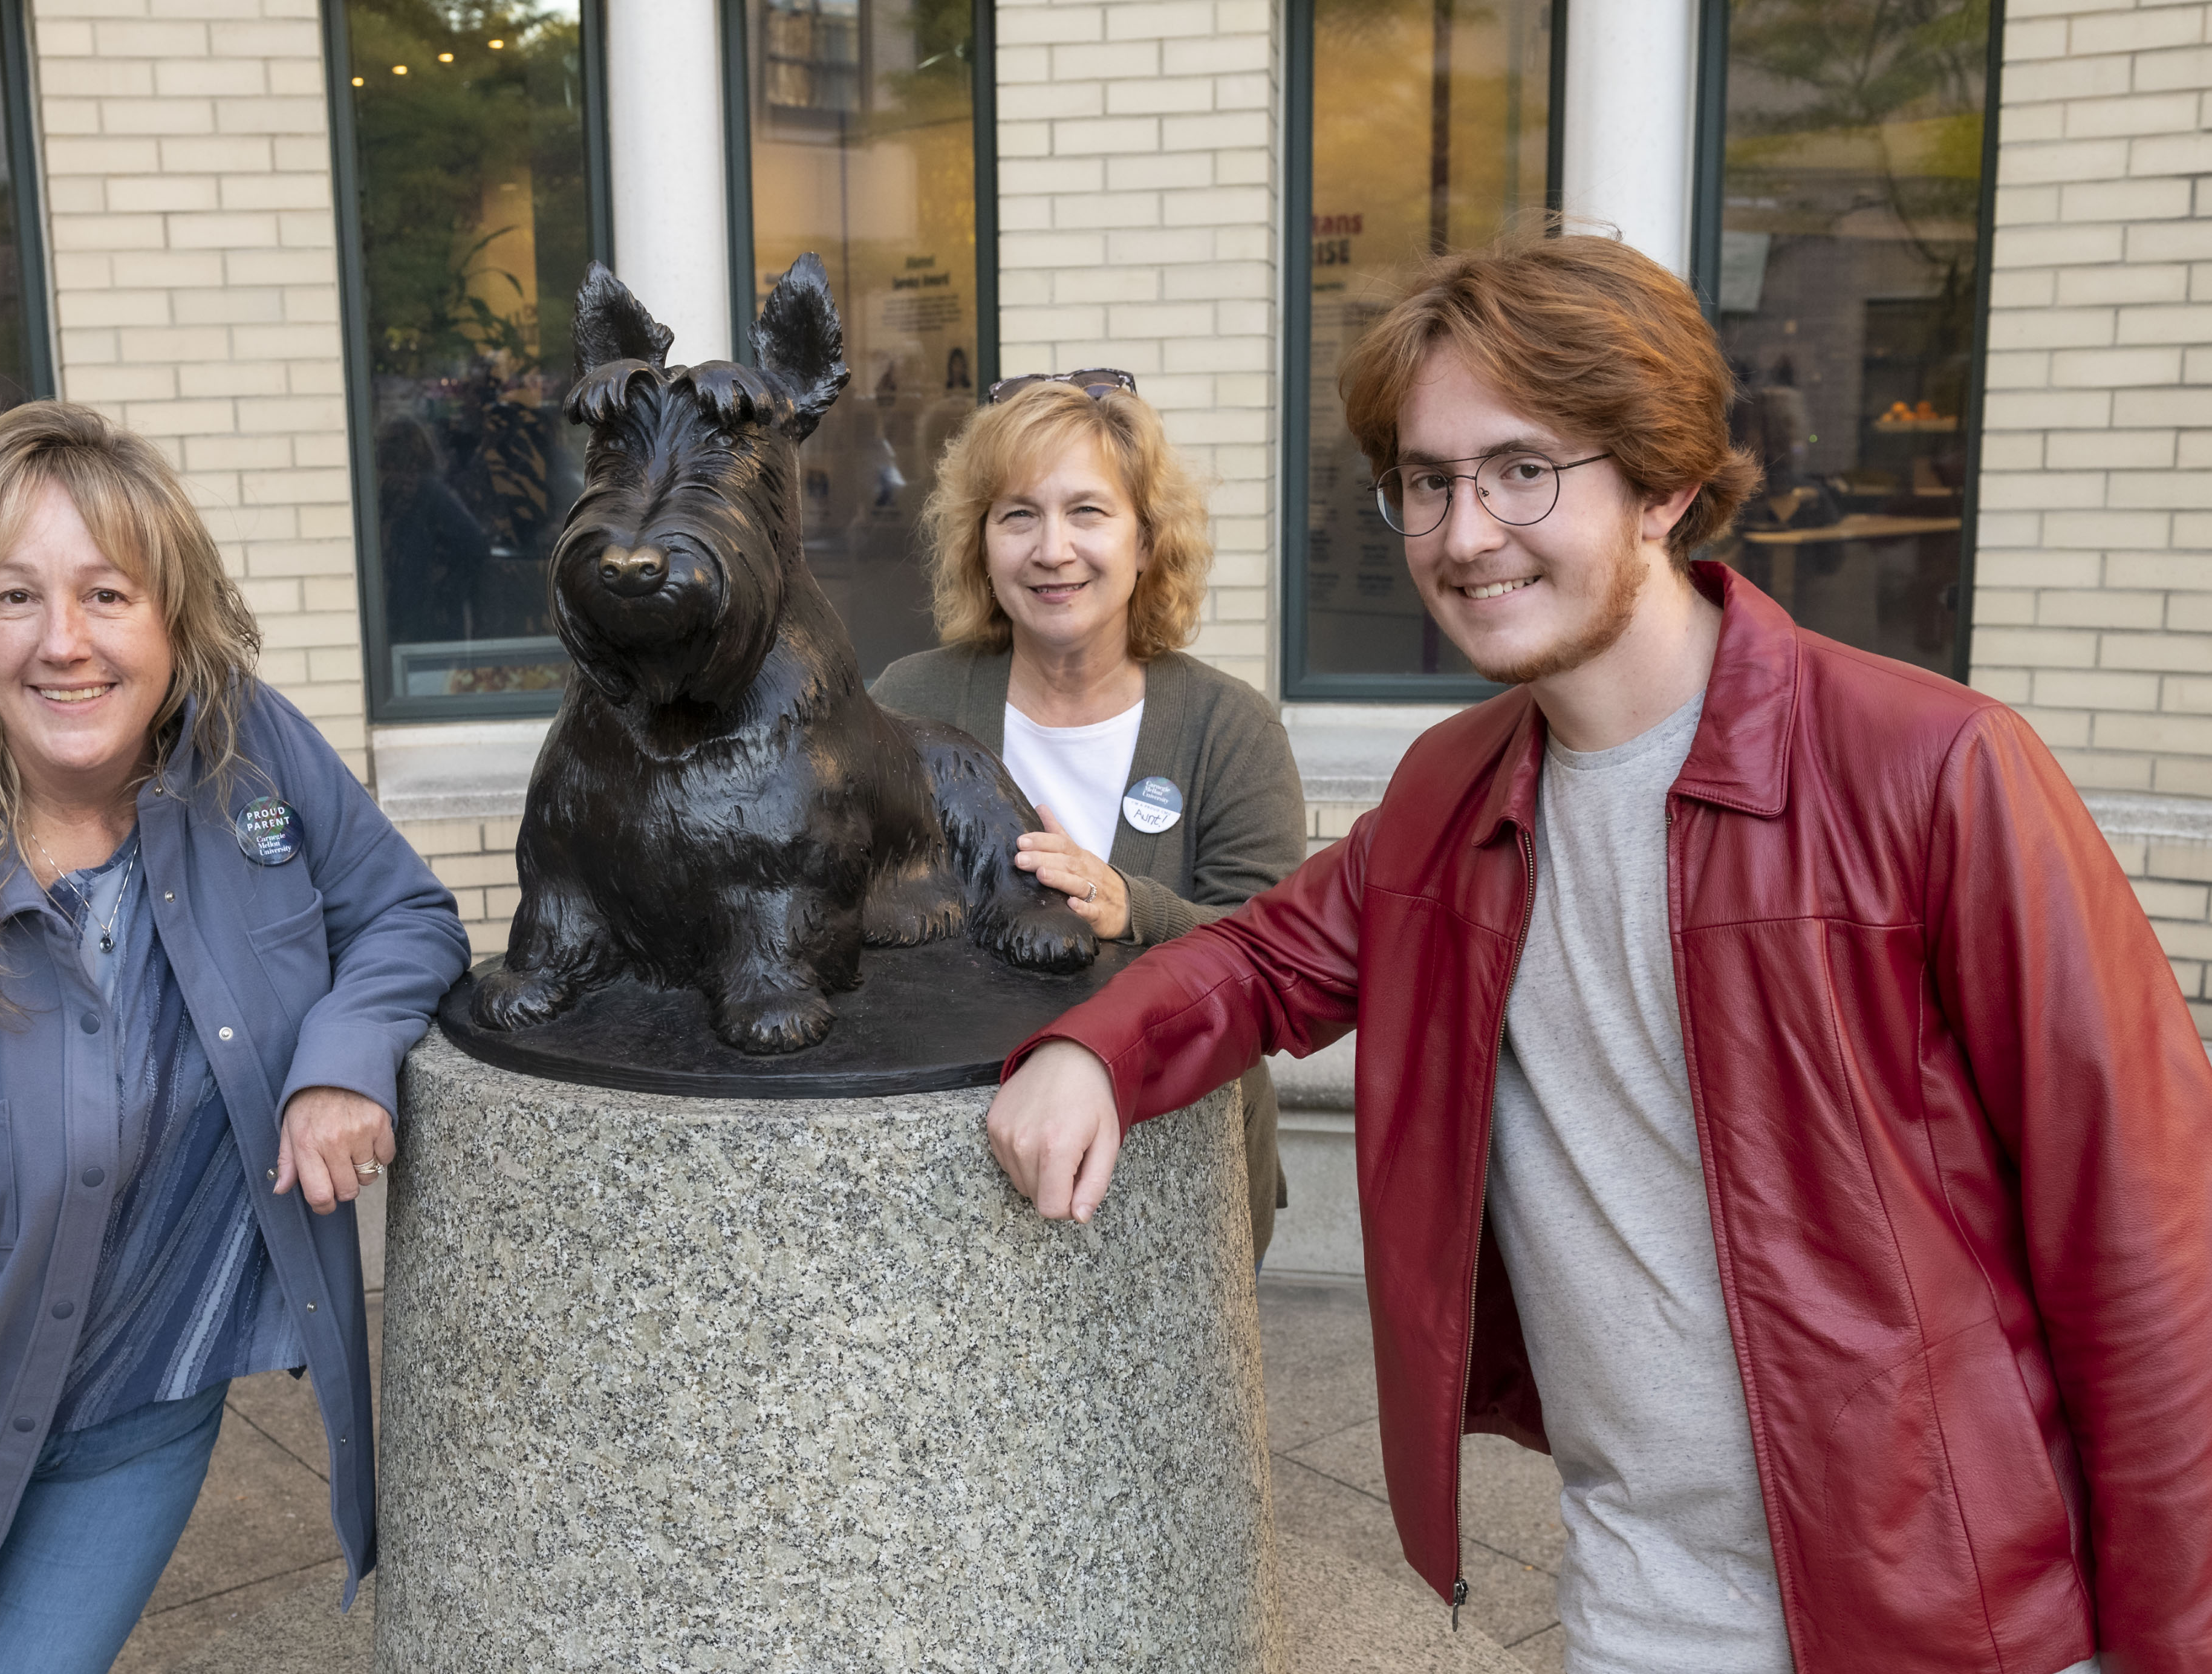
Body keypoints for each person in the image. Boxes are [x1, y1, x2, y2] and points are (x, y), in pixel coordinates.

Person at [984, 235, 2212, 1673]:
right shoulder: (1453, 792)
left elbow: (2145, 1247)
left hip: (1948, 1617)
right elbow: (1258, 960)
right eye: (1429, 482)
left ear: (1665, 482)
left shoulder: (1935, 767)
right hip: (1634, 1602)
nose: (1464, 532)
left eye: (1522, 469)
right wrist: (1088, 1044)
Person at [0, 402, 470, 1670]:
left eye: (109, 593)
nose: (65, 643)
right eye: (17, 597)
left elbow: (403, 912)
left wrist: (343, 1056)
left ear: (174, 620)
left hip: (137, 1427)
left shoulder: (250, 758)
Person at [871, 370, 1306, 1262]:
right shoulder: (911, 698)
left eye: (1088, 513)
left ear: (1148, 540)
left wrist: (1130, 908)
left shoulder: (1230, 727)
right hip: (952, 1174)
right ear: (980, 544)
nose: (1051, 549)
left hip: (1176, 1174)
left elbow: (1278, 961)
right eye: (1018, 515)